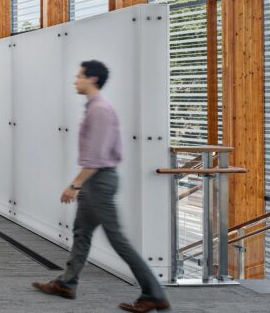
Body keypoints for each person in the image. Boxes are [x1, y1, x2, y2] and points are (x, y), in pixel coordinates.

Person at [32, 60, 170, 313]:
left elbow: (96, 156)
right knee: (81, 232)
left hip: (99, 181)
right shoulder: (95, 108)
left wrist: (75, 185)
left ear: (92, 79)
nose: (75, 81)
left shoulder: (100, 111)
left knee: (117, 239)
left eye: (79, 76)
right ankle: (67, 283)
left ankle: (154, 293)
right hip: (95, 181)